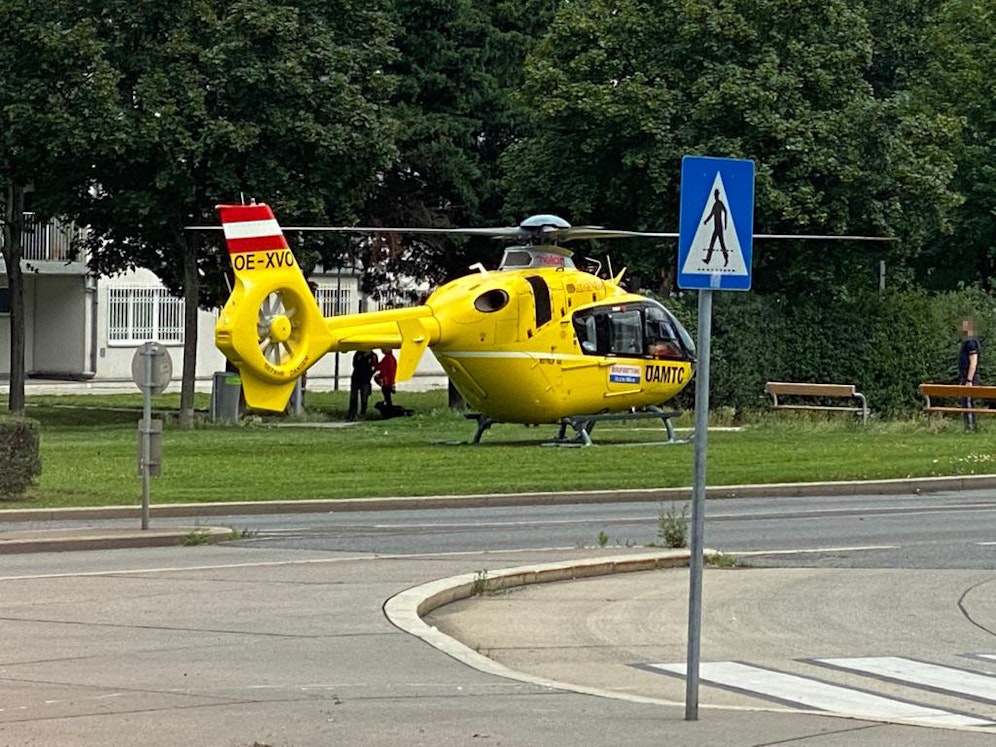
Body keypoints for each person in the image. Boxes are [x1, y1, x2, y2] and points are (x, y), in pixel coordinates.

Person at [959, 316, 981, 430]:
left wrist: (969, 380)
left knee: (968, 403)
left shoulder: (971, 342)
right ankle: (968, 426)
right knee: (965, 403)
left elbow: (973, 362)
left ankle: (970, 427)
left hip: (969, 378)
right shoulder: (967, 341)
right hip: (965, 376)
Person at [347, 350, 376, 421]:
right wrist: (362, 358)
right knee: (353, 397)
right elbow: (354, 364)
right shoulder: (358, 354)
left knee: (364, 398)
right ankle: (352, 414)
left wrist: (370, 374)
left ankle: (363, 413)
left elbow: (375, 366)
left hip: (365, 380)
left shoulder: (373, 356)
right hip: (356, 378)